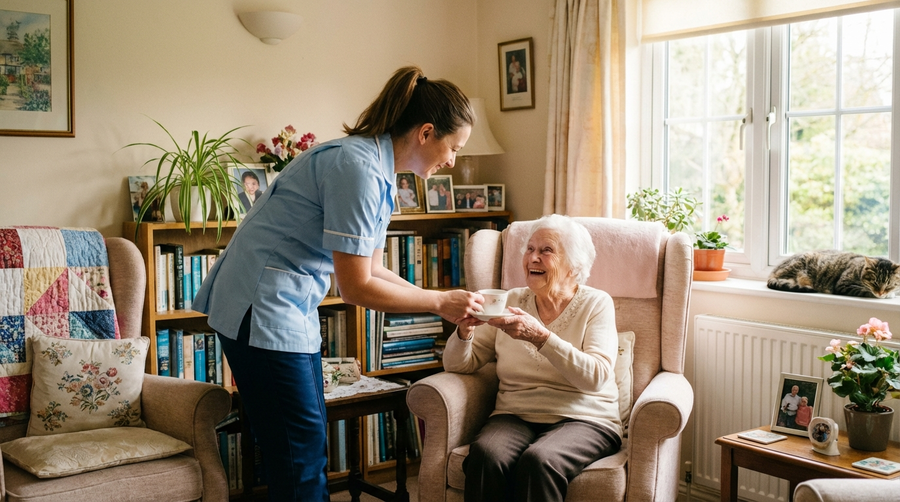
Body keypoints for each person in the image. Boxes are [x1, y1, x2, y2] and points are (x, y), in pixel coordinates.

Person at [191, 65, 485, 502]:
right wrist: (439, 302)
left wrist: (439, 299)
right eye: (454, 147)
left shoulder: (375, 169)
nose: (452, 161)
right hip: (263, 307)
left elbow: (373, 268)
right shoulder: (360, 171)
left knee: (303, 447)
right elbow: (357, 288)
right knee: (300, 454)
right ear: (426, 133)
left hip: (281, 307)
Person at [443, 214, 622, 502]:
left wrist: (541, 337)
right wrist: (464, 331)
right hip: (515, 414)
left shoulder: (596, 303)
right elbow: (459, 364)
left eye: (546, 251)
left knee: (539, 461)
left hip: (586, 418)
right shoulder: (509, 301)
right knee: (486, 456)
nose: (533, 258)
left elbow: (596, 377)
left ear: (573, 266)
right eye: (530, 249)